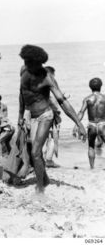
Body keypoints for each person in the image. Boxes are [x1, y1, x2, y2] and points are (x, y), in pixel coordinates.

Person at [17, 44, 86, 193]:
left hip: (45, 115)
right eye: (27, 62)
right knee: (34, 152)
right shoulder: (23, 73)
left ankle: (40, 189)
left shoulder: (48, 78)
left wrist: (79, 123)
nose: (29, 66)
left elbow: (62, 101)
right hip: (32, 117)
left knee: (35, 152)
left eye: (34, 64)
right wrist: (20, 116)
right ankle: (45, 179)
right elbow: (21, 95)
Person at [73, 78, 105, 169]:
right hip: (103, 124)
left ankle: (92, 168)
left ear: (90, 87)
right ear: (101, 86)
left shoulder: (87, 99)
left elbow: (81, 112)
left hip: (92, 125)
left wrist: (77, 125)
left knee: (91, 146)